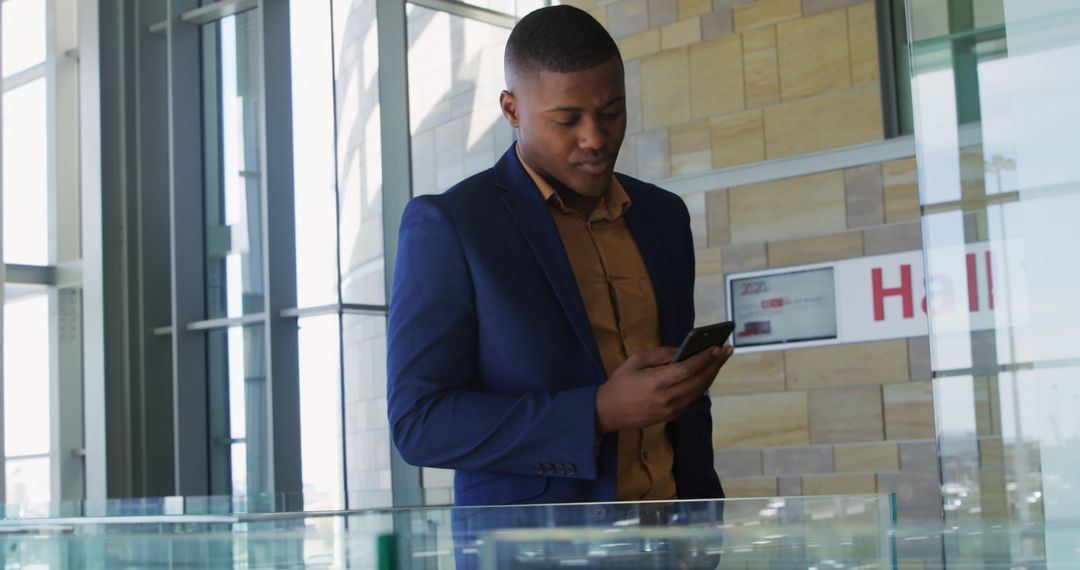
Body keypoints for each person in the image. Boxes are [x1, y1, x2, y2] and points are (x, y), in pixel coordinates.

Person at [387, 4, 732, 508]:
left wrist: (705, 519)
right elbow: (419, 425)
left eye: (612, 112)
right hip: (534, 552)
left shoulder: (662, 215)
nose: (595, 139)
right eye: (566, 120)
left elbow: (685, 410)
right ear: (512, 111)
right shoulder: (451, 226)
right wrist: (596, 411)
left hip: (675, 544)